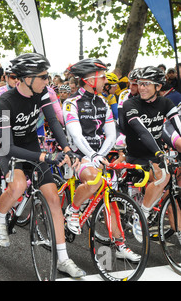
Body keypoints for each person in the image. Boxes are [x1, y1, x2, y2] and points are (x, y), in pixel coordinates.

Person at [0, 53, 85, 278]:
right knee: (17, 186)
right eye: (43, 76)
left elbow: (53, 120)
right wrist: (45, 157)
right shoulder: (5, 101)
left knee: (54, 199)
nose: (48, 80)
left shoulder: (42, 92)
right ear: (26, 78)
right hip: (8, 148)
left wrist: (65, 149)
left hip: (32, 146)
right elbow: (7, 146)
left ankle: (63, 258)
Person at [63, 58, 140, 261]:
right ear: (89, 80)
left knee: (111, 200)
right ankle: (73, 209)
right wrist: (93, 155)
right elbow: (77, 136)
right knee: (95, 180)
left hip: (98, 156)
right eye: (102, 76)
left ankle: (120, 245)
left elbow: (111, 134)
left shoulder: (103, 102)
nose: (106, 80)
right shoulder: (71, 103)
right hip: (79, 155)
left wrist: (102, 155)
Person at [122, 66, 180, 219]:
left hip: (156, 155)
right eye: (140, 83)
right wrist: (159, 153)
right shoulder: (131, 104)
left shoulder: (165, 103)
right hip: (138, 156)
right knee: (163, 176)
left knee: (169, 188)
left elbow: (177, 124)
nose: (141, 87)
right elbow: (142, 131)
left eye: (146, 84)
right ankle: (141, 215)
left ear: (158, 86)